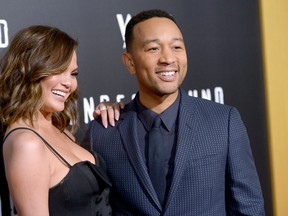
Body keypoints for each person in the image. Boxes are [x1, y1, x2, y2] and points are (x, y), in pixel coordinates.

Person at [83, 9, 265, 215]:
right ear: (130, 62)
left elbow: (249, 208)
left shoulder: (224, 123)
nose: (168, 58)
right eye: (153, 49)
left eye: (176, 46)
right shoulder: (103, 133)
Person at [0, 25, 112, 216]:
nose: (69, 83)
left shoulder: (64, 132)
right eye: (58, 70)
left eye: (73, 73)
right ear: (29, 69)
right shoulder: (27, 144)